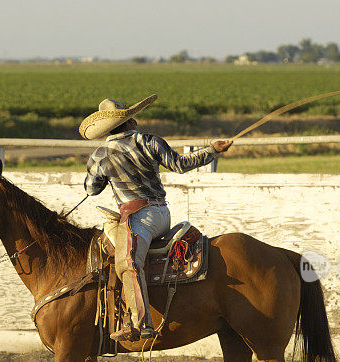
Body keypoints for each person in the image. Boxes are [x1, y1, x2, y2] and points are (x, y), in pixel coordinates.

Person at [80, 94, 232, 342]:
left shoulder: (100, 155)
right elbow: (181, 165)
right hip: (162, 214)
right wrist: (212, 150)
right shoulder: (149, 141)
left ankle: (140, 323)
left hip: (138, 216)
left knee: (128, 263)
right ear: (128, 123)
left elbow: (91, 189)